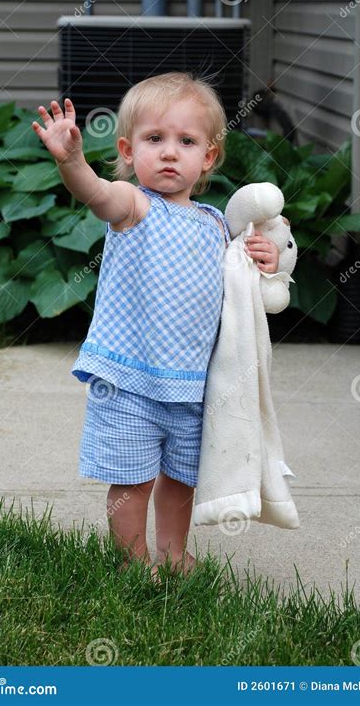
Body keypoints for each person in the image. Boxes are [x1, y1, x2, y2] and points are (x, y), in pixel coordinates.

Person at [32, 71, 280, 581]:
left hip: (192, 385)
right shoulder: (133, 206)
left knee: (180, 479)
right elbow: (95, 193)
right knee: (131, 480)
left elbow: (245, 285)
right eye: (154, 139)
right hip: (129, 380)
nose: (170, 152)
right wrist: (71, 160)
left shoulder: (216, 225)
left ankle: (171, 553)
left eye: (186, 141)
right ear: (128, 150)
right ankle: (130, 560)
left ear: (207, 157)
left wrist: (267, 257)